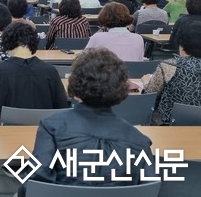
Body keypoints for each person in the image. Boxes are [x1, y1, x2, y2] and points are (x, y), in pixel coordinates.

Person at [17, 48, 154, 197]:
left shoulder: (52, 127)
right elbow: (150, 188)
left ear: (75, 86)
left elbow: (36, 181)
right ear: (121, 90)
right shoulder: (140, 141)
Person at [0, 22, 69, 125]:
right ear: (34, 42)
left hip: (6, 135)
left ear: (6, 43)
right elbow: (61, 108)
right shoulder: (50, 71)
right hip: (43, 133)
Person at [143, 21, 201, 124]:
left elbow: (151, 92)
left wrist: (146, 82)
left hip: (171, 122)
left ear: (182, 45)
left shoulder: (170, 66)